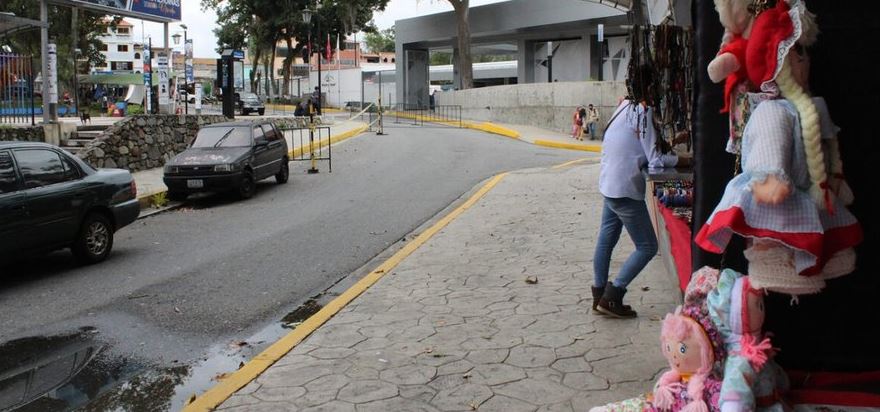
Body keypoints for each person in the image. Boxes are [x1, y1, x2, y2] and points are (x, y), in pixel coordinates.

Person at [592, 98, 690, 318]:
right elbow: (654, 160)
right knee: (647, 247)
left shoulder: (625, 106)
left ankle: (598, 294)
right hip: (624, 189)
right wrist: (681, 160)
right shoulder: (642, 111)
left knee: (606, 239)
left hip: (610, 184)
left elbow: (638, 146)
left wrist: (671, 144)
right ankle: (613, 296)